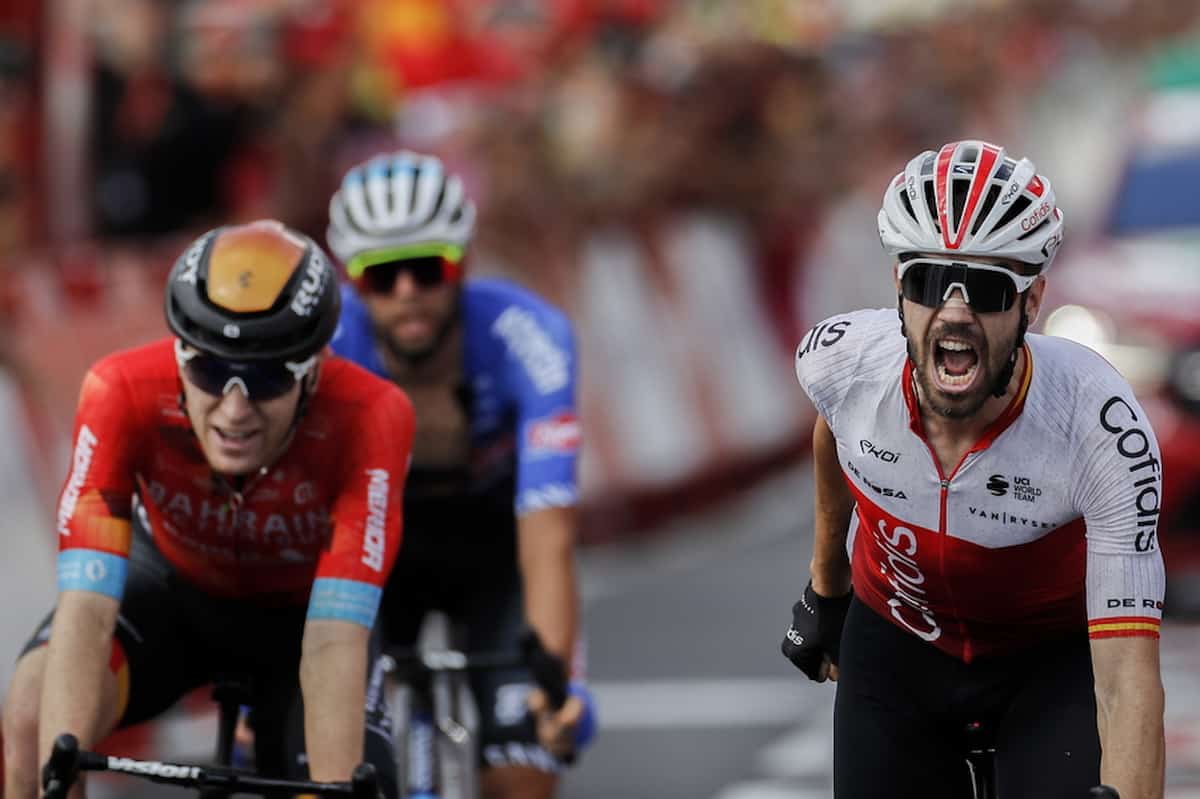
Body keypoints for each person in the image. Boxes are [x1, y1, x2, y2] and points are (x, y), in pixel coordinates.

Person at [780, 140, 1165, 799]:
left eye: (986, 289)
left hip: (1047, 664)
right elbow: (834, 437)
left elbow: (1128, 679)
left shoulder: (1100, 424)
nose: (955, 312)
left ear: (1033, 300)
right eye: (930, 283)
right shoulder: (840, 364)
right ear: (899, 288)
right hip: (897, 645)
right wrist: (828, 587)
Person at [1, 220, 415, 798]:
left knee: (343, 786)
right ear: (179, 354)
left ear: (312, 369)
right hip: (171, 601)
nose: (234, 411)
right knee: (31, 707)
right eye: (210, 371)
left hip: (304, 623)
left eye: (267, 378)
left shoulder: (370, 416)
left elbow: (333, 638)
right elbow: (88, 608)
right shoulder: (120, 391)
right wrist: (58, 775)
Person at [325, 150, 594, 799]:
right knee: (331, 763)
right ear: (353, 283)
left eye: (428, 267)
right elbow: (301, 519)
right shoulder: (325, 343)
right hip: (368, 548)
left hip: (494, 547)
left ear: (463, 263)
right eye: (382, 276)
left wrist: (557, 685)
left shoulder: (528, 336)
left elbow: (548, 527)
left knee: (523, 770)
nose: (408, 291)